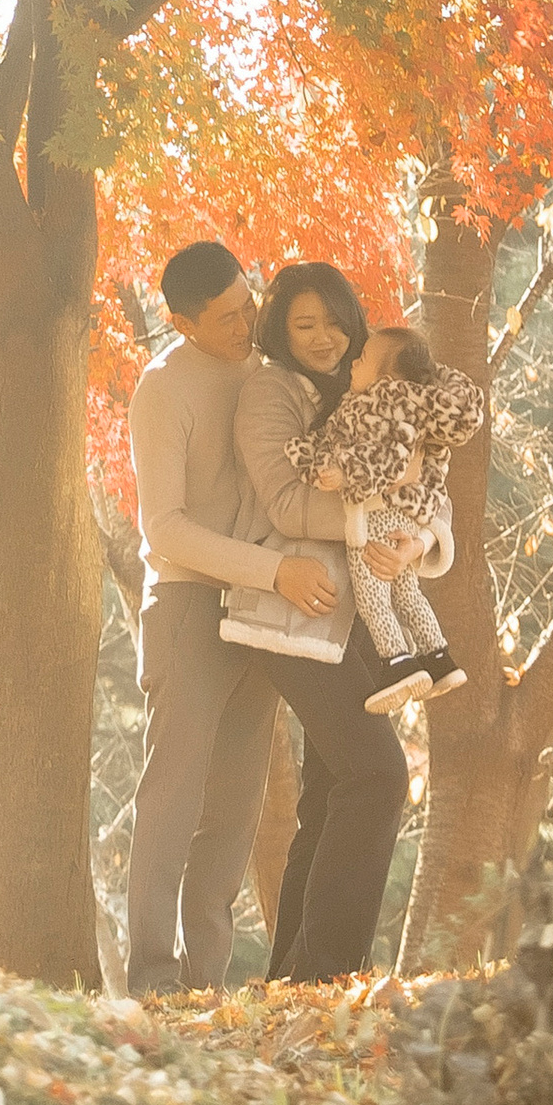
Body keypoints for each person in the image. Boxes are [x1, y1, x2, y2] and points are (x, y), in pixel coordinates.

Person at [124, 237, 333, 996]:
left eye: (250, 306)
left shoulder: (267, 375)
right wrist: (276, 570)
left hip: (259, 609)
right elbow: (164, 529)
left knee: (236, 812)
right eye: (227, 318)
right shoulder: (162, 389)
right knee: (172, 802)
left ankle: (204, 985)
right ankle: (151, 986)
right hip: (186, 603)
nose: (247, 325)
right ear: (182, 323)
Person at [231, 261, 450, 983]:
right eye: (303, 325)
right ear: (279, 331)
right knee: (378, 772)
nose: (323, 338)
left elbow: (430, 480)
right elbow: (287, 507)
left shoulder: (378, 382)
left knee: (329, 795)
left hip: (355, 612)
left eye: (333, 321)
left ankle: (292, 978)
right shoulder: (269, 391)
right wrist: (386, 519)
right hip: (292, 609)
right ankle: (325, 973)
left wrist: (416, 538)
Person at [286, 322, 485, 711]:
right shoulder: (417, 405)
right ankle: (438, 658)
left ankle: (397, 662)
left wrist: (341, 470)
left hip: (375, 517)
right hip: (407, 520)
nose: (353, 364)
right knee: (407, 593)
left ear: (387, 377)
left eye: (362, 360)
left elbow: (388, 460)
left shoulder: (378, 403)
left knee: (372, 596)